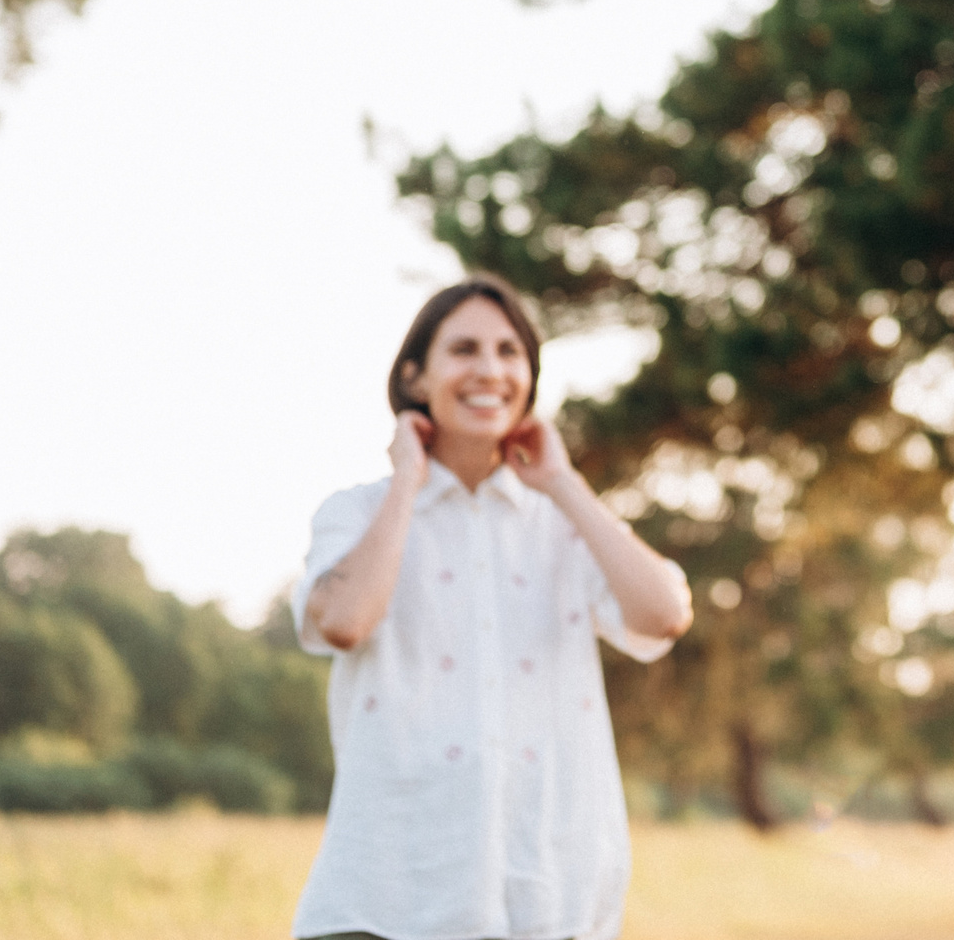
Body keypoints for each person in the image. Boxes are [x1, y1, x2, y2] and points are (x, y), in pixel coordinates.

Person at [288, 276, 693, 940]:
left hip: (548, 898)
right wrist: (408, 482)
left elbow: (665, 614)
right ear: (417, 378)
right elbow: (345, 619)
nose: (490, 369)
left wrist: (563, 482)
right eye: (465, 349)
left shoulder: (566, 522)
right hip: (388, 898)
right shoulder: (358, 512)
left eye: (510, 352)